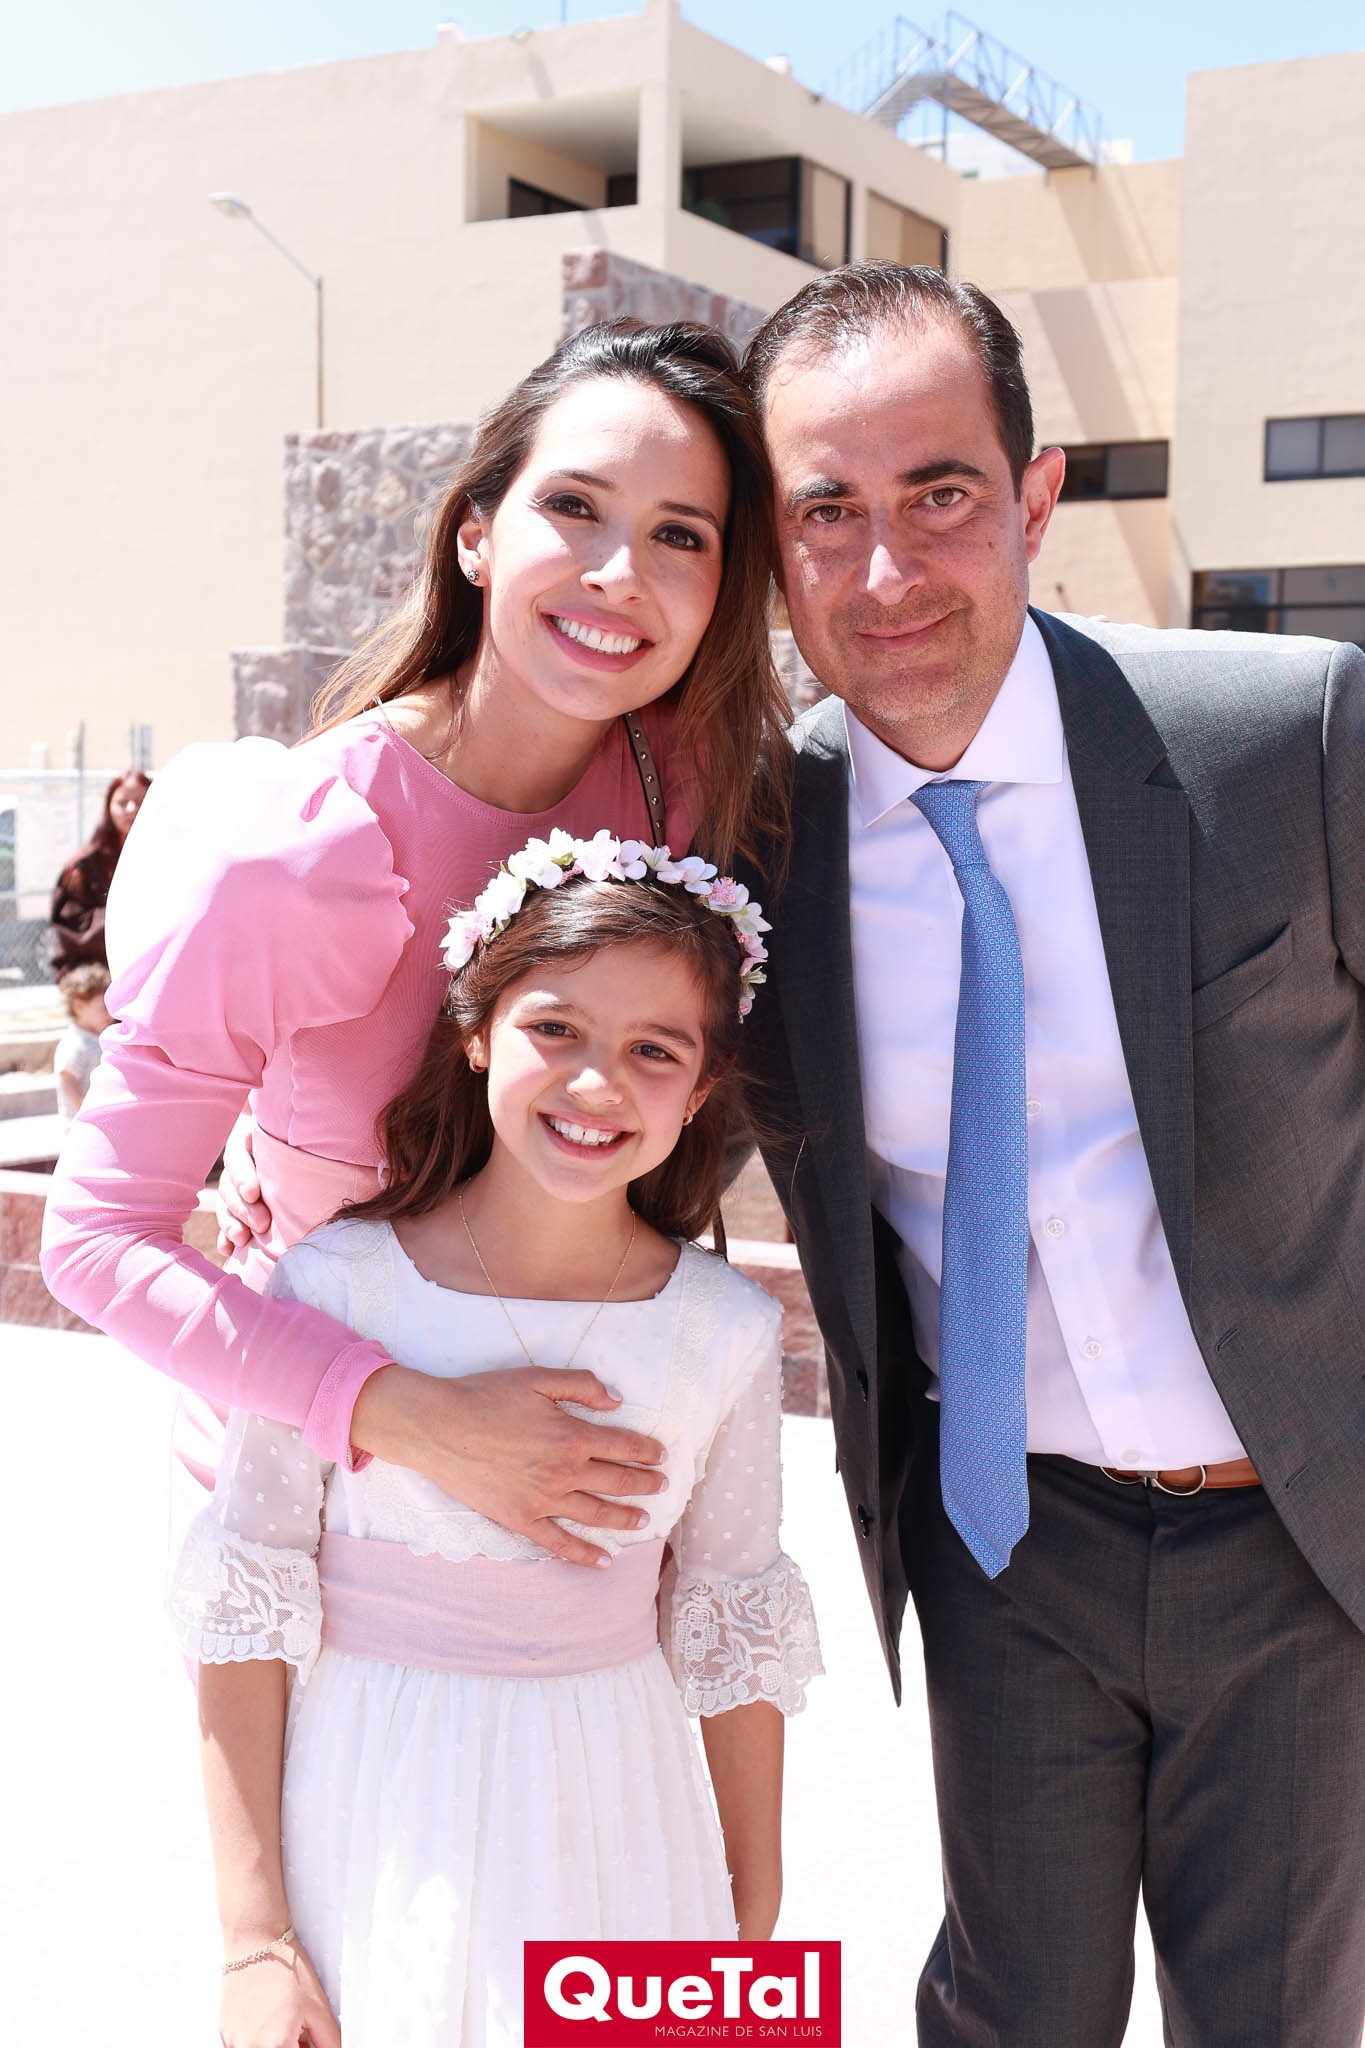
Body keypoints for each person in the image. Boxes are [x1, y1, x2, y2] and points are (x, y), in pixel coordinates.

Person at [734, 259, 1365, 2047]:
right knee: (1011, 2015)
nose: (886, 571)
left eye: (939, 494)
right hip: (1004, 1547)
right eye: (827, 512)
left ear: (1034, 494)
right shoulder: (758, 836)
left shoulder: (1285, 736)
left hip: (1302, 1543)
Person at [41, 319, 790, 1562]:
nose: (620, 572)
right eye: (574, 506)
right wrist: (415, 1417)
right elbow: (96, 1238)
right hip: (310, 1514)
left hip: (592, 1500)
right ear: (476, 534)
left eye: (681, 535)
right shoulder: (294, 847)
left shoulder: (698, 795)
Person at [169, 834, 819, 2048]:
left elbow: (733, 1621)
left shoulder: (721, 1328)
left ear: (702, 1088)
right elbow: (244, 1611)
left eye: (655, 1049)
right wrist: (253, 1939)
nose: (597, 1082)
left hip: (621, 1820)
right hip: (373, 1807)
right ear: (476, 1029)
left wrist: (750, 1916)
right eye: (555, 1028)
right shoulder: (336, 1284)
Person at [46, 768, 149, 977]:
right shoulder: (81, 869)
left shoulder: (168, 858)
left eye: (141, 801)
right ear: (109, 807)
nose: (132, 809)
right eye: (122, 802)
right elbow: (73, 929)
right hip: (96, 974)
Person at [52, 964, 112, 1124]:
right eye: (104, 1008)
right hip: (79, 1124)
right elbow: (67, 1081)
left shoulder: (95, 1038)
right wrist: (87, 1110)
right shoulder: (75, 1044)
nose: (111, 1013)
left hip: (96, 1120)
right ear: (78, 1006)